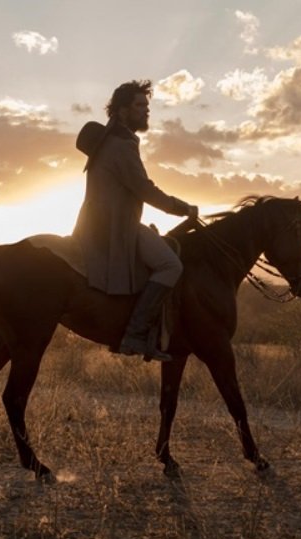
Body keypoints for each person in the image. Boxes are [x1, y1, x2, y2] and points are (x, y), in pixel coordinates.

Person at [72, 80, 198, 362]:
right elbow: (144, 189)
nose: (146, 112)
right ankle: (135, 334)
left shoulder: (109, 142)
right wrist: (183, 208)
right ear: (121, 111)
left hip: (96, 224)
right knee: (170, 265)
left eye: (147, 106)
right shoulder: (121, 145)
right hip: (116, 228)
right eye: (140, 106)